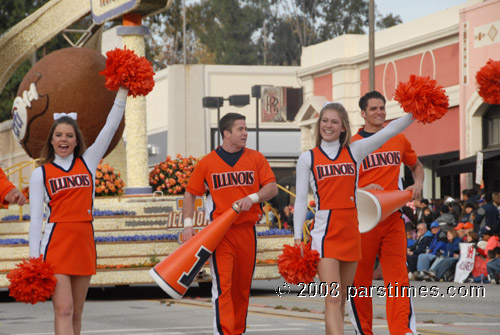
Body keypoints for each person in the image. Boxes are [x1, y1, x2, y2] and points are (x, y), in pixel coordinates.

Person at [293, 101, 415, 335]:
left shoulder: (354, 150)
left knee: (341, 300)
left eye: (334, 122)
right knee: (332, 297)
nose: (328, 126)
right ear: (319, 125)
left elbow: (391, 130)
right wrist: (298, 238)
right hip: (325, 233)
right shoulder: (307, 158)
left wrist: (415, 112)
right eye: (325, 121)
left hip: (351, 231)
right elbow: (300, 201)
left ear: (343, 127)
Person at [28, 87, 128, 334]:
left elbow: (111, 126)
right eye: (59, 135)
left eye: (69, 135)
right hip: (56, 245)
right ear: (51, 140)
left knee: (77, 314)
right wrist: (34, 260)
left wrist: (123, 91)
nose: (64, 139)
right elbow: (35, 220)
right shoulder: (40, 173)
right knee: (63, 310)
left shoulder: (89, 161)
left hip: (84, 243)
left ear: (76, 140)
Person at [182, 112, 277, 335]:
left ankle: (237, 331)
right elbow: (190, 194)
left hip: (247, 231)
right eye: (240, 129)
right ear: (226, 134)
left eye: (246, 129)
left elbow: (271, 188)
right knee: (223, 288)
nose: (245, 133)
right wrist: (188, 225)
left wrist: (252, 198)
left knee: (242, 290)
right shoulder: (207, 163)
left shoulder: (256, 158)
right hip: (221, 234)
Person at [345, 91, 424, 335]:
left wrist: (418, 183)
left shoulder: (398, 139)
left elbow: (416, 165)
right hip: (363, 222)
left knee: (398, 278)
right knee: (360, 282)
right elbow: (341, 184)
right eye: (373, 109)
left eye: (382, 108)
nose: (379, 112)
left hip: (393, 219)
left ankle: (403, 331)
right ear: (363, 113)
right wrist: (361, 188)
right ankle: (363, 331)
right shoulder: (353, 144)